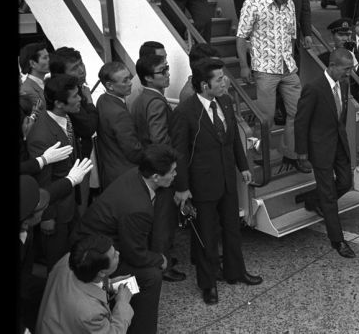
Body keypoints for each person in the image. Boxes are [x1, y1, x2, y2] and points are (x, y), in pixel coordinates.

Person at [170, 59, 262, 305]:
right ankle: (208, 283)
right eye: (219, 79)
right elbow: (178, 153)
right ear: (204, 85)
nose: (225, 82)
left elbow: (233, 139)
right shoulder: (185, 112)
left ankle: (236, 271)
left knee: (233, 229)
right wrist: (182, 187)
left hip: (227, 180)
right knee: (206, 236)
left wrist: (243, 167)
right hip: (202, 185)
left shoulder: (226, 102)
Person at [70, 144, 177, 333]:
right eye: (173, 171)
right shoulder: (137, 207)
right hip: (94, 255)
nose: (175, 174)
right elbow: (134, 253)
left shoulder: (136, 175)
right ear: (155, 177)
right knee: (152, 276)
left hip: (102, 240)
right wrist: (159, 259)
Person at [236, 0, 309, 172]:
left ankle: (292, 153)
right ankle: (259, 154)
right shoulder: (254, 3)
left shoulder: (290, 4)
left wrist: (292, 57)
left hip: (288, 68)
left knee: (298, 113)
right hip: (265, 68)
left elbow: (292, 34)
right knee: (265, 118)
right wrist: (244, 65)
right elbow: (242, 37)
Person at [26, 74, 95, 269]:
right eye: (74, 96)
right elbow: (43, 181)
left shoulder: (66, 118)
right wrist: (47, 216)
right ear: (58, 103)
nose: (80, 99)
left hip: (70, 204)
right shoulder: (42, 135)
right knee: (56, 265)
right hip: (56, 212)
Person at [294, 49, 358, 258]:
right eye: (346, 69)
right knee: (329, 194)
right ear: (332, 66)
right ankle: (337, 241)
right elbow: (301, 122)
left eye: (350, 69)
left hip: (339, 144)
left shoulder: (345, 84)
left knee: (346, 182)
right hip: (320, 148)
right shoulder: (314, 88)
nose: (349, 73)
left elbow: (339, 117)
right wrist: (302, 154)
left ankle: (313, 200)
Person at [131, 54, 186, 283]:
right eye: (162, 71)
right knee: (164, 221)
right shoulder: (155, 102)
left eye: (167, 69)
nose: (167, 75)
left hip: (150, 169)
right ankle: (162, 265)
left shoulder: (142, 98)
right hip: (160, 171)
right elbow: (159, 139)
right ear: (147, 78)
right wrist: (172, 170)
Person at [36, 235, 134, 334]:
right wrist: (122, 303)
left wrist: (108, 284)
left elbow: (94, 278)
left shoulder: (70, 260)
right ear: (101, 272)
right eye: (114, 256)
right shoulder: (90, 313)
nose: (118, 253)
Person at [50, 47, 100, 204]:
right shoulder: (68, 97)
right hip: (74, 165)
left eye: (81, 64)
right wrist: (90, 103)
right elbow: (88, 127)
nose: (82, 70)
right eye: (74, 68)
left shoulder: (77, 89)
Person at [96, 62, 144, 189]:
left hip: (110, 171)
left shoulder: (102, 100)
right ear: (110, 85)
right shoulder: (119, 113)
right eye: (125, 80)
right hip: (126, 174)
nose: (130, 83)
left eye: (129, 77)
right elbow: (133, 151)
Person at [19, 176, 51, 334]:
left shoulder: (24, 213)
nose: (45, 209)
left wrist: (71, 180)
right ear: (26, 222)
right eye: (41, 210)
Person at [20, 42, 50, 118]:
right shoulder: (28, 90)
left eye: (48, 57)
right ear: (33, 63)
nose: (49, 60)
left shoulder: (46, 83)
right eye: (45, 58)